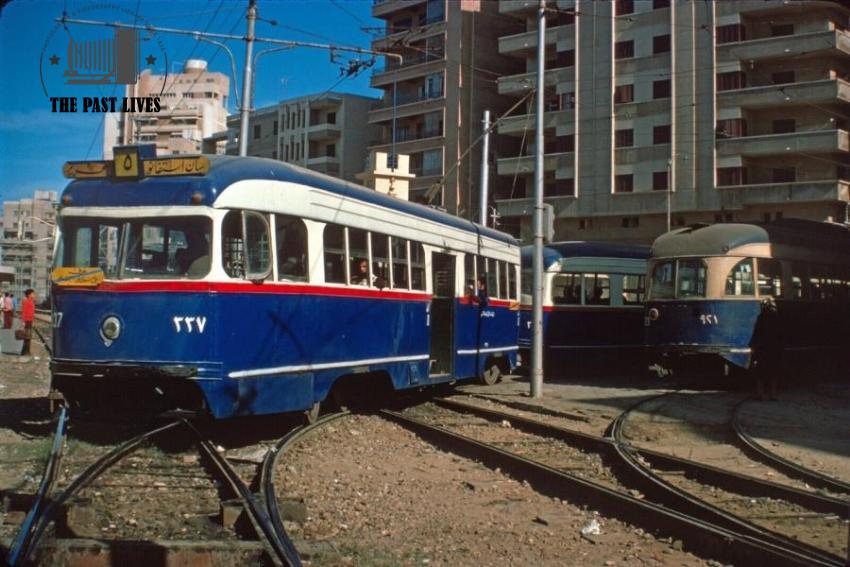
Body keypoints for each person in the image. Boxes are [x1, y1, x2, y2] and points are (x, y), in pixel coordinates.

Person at [19, 289, 35, 356]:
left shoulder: (31, 301)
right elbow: (23, 312)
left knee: (28, 337)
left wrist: (33, 320)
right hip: (27, 321)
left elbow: (32, 312)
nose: (34, 295)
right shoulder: (26, 301)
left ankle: (26, 351)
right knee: (27, 337)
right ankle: (24, 352)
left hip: (30, 321)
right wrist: (23, 322)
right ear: (29, 295)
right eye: (33, 294)